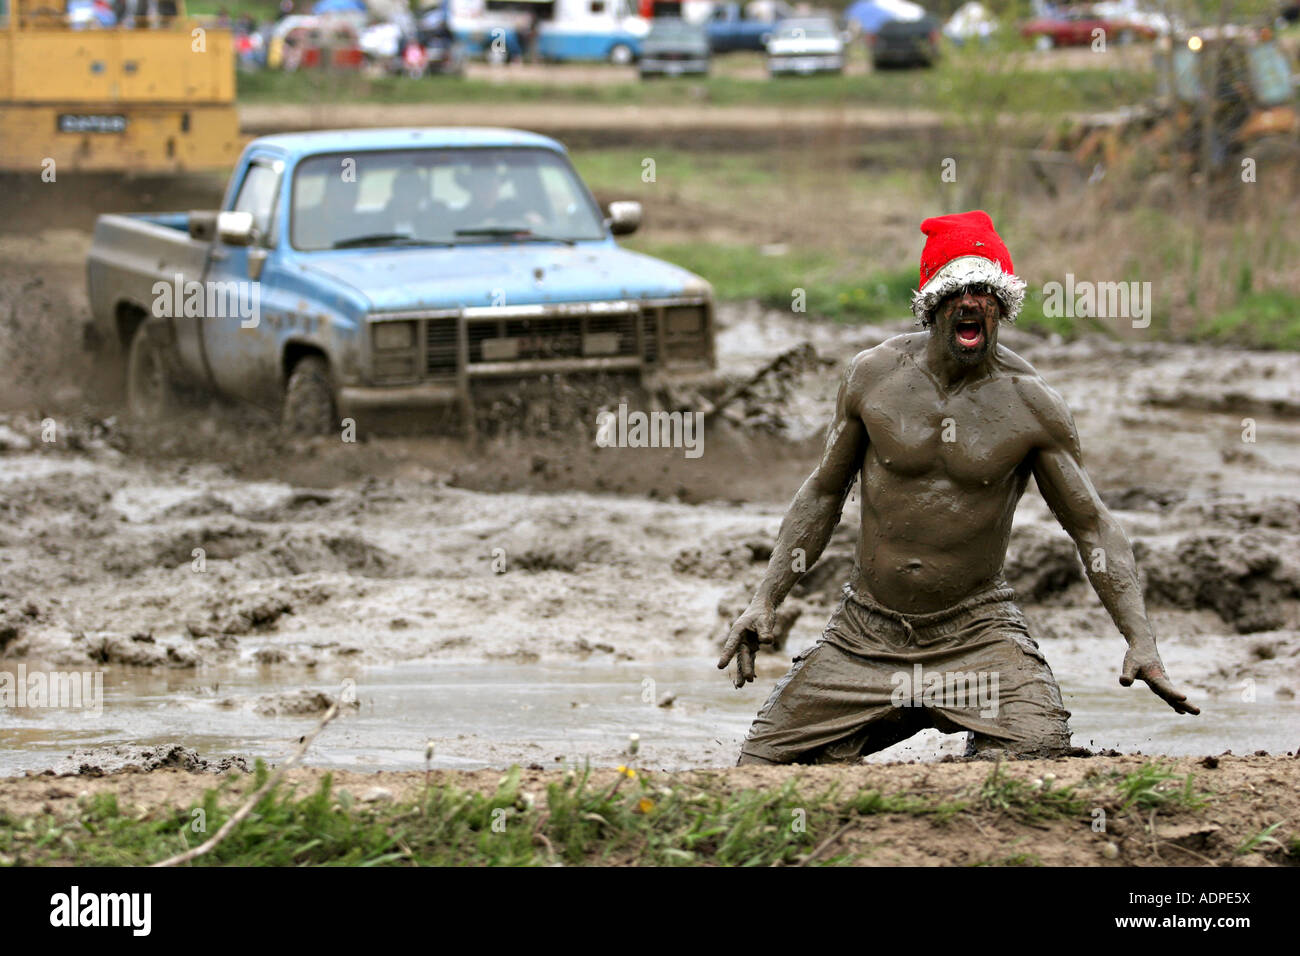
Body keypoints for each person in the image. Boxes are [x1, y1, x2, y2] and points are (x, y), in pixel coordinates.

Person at [719, 210, 1199, 764]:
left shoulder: (1030, 403)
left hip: (977, 633)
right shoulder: (873, 377)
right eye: (956, 291)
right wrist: (765, 600)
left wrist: (1139, 638)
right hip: (865, 631)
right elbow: (824, 492)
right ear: (931, 305)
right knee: (761, 764)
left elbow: (1091, 524)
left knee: (1036, 750)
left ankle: (976, 727)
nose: (970, 302)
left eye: (985, 291)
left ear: (1002, 307)